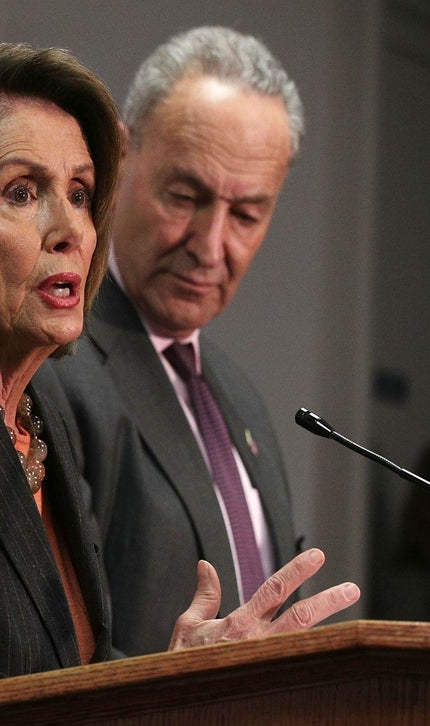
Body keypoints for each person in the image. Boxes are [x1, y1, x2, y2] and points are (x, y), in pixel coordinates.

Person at [0, 41, 359, 725]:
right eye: (23, 192)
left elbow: (73, 673)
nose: (70, 229)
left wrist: (177, 676)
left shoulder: (34, 413)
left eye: (78, 193)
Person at [39, 26, 309, 657]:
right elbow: (45, 654)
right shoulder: (53, 362)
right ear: (121, 160)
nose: (211, 245)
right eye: (186, 197)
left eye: (246, 215)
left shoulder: (239, 396)